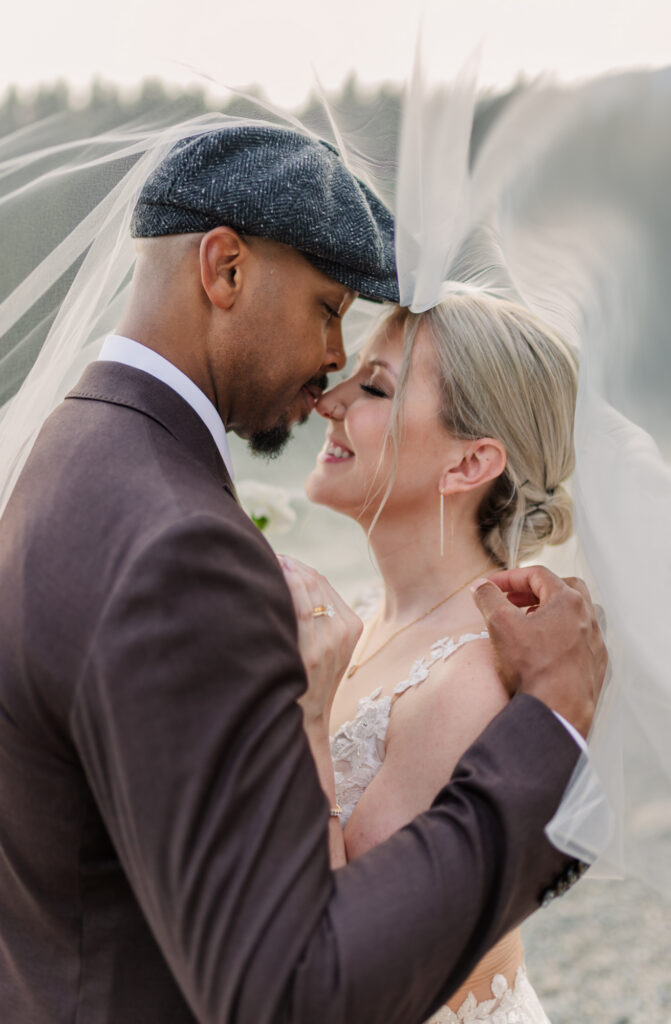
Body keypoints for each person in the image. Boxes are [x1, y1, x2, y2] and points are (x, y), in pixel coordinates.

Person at [0, 122, 605, 1024]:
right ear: (225, 271)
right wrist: (555, 724)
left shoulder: (71, 455)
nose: (330, 374)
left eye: (372, 383)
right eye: (329, 311)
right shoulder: (181, 544)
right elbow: (296, 984)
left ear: (468, 463)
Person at [288, 291, 580, 1022]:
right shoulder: (357, 612)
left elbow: (355, 969)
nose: (330, 401)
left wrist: (305, 721)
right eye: (350, 373)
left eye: (375, 387)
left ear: (469, 462)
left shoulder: (469, 675)